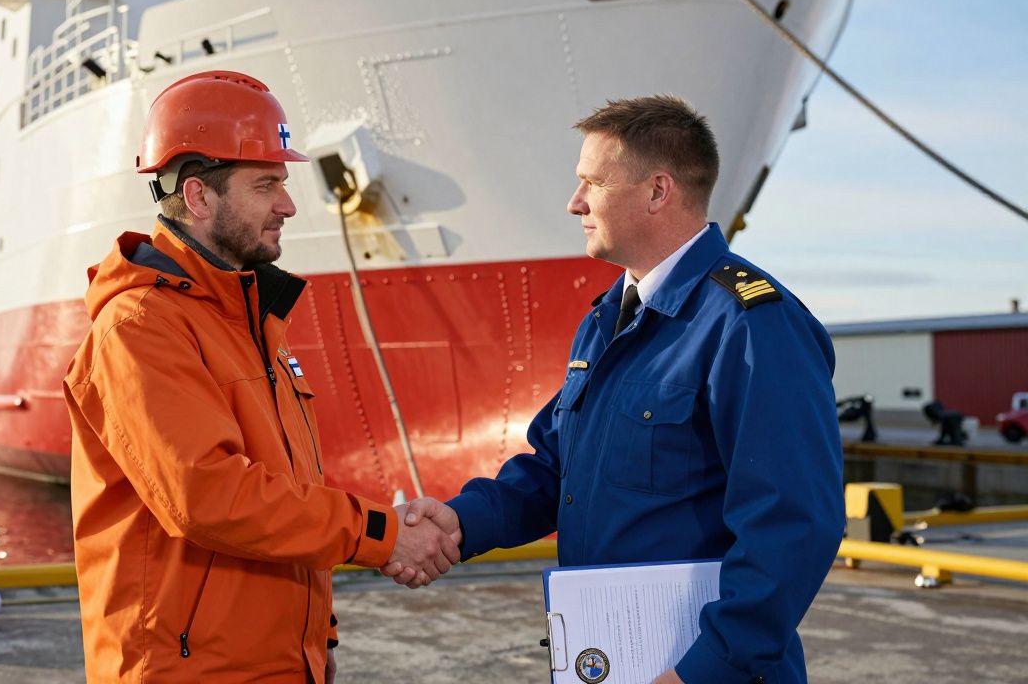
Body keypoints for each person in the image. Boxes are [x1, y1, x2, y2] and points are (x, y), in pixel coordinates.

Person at [386, 96, 845, 684]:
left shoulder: (752, 323)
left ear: (658, 192)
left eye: (592, 183)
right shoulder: (607, 319)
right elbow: (555, 469)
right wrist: (460, 521)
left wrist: (706, 669)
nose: (573, 202)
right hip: (610, 660)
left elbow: (795, 522)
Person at [64, 70, 460, 683]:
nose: (289, 203)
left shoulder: (248, 321)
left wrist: (315, 636)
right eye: (267, 183)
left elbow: (286, 488)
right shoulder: (141, 326)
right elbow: (211, 496)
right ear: (198, 197)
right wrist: (381, 534)